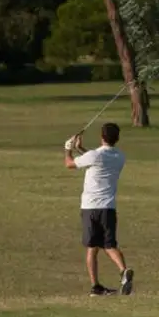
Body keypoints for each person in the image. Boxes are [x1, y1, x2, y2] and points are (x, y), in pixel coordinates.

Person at [64, 122, 134, 296]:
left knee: (92, 248)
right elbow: (96, 160)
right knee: (109, 245)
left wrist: (68, 149)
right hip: (108, 207)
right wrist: (81, 148)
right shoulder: (120, 156)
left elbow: (70, 164)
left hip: (90, 208)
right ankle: (123, 270)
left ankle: (95, 286)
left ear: (102, 137)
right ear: (116, 138)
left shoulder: (95, 155)